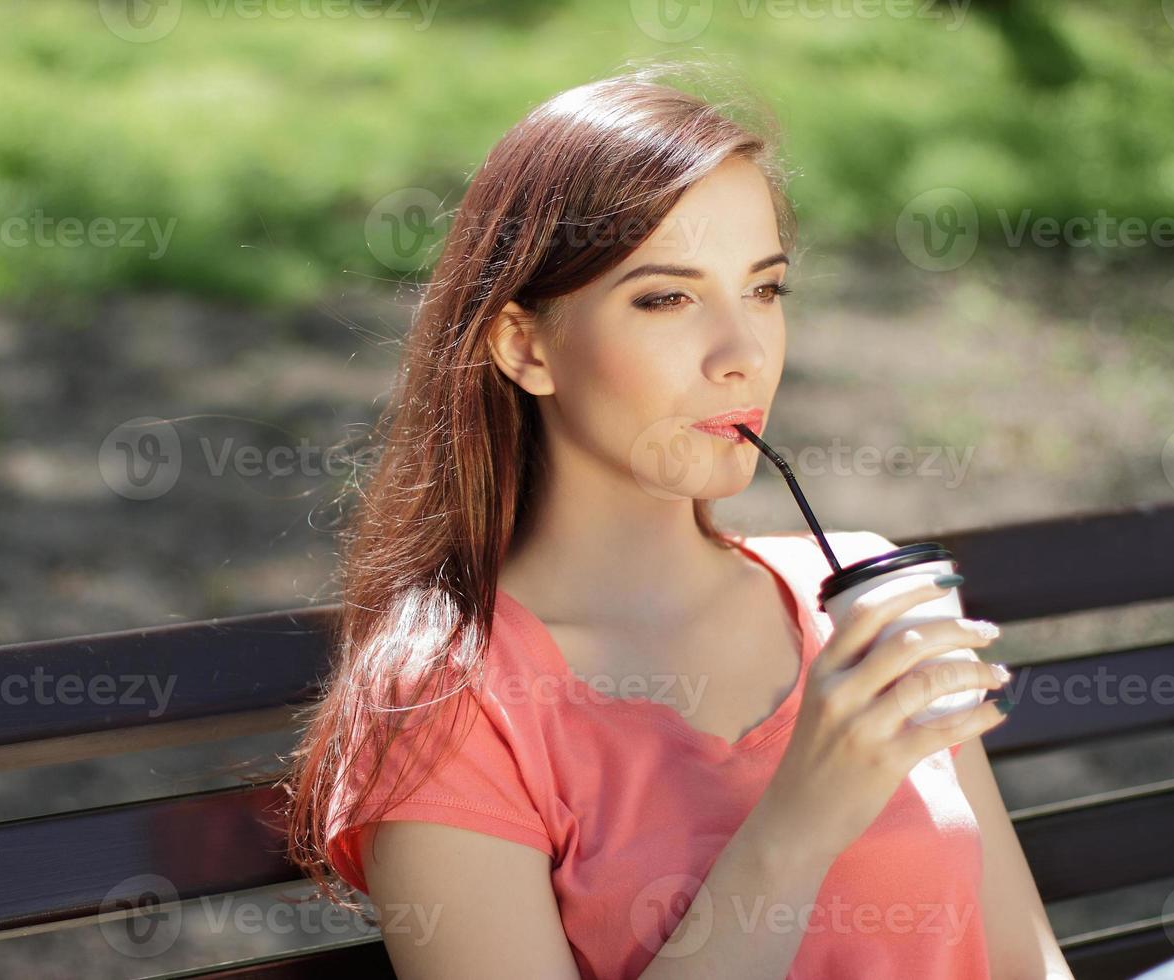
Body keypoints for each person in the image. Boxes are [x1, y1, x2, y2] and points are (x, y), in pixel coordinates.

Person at [280, 61, 1075, 979]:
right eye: (668, 298)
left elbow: (1030, 965)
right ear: (524, 345)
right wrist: (797, 826)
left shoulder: (865, 593)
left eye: (765, 290)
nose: (744, 356)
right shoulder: (450, 702)